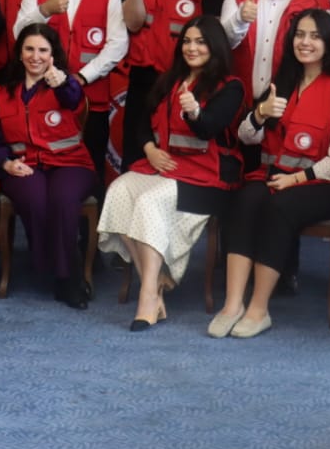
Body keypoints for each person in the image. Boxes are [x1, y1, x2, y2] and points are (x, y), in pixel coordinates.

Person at [213, 9, 330, 340]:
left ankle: (259, 309)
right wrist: (260, 114)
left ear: (329, 43)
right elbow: (246, 136)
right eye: (300, 35)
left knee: (280, 206)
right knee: (244, 199)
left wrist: (296, 179)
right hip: (276, 176)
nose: (305, 42)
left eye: (315, 36)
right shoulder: (280, 84)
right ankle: (232, 304)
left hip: (329, 184)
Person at [98, 17, 243, 331]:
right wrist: (149, 148)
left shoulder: (231, 87)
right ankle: (156, 282)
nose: (192, 48)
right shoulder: (168, 81)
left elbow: (208, 128)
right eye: (187, 41)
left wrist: (194, 111)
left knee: (148, 201)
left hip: (208, 179)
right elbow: (141, 124)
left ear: (215, 46)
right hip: (164, 167)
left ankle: (147, 297)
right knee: (119, 190)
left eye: (201, 42)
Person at [0, 24, 99, 310]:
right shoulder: (2, 94)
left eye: (43, 50)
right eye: (29, 49)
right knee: (35, 199)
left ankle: (68, 279)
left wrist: (62, 82)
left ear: (53, 55)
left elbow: (73, 98)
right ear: (19, 53)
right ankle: (48, 265)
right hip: (24, 165)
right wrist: (6, 162)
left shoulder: (64, 84)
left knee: (63, 199)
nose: (35, 56)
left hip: (71, 162)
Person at [13, 0, 128, 175]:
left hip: (92, 99)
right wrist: (44, 10)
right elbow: (18, 35)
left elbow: (118, 43)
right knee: (45, 167)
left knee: (92, 170)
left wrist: (83, 76)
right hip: (43, 98)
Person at [117, 0, 213, 169]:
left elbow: (214, 36)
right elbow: (133, 23)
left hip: (185, 79)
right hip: (143, 78)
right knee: (136, 150)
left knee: (179, 153)